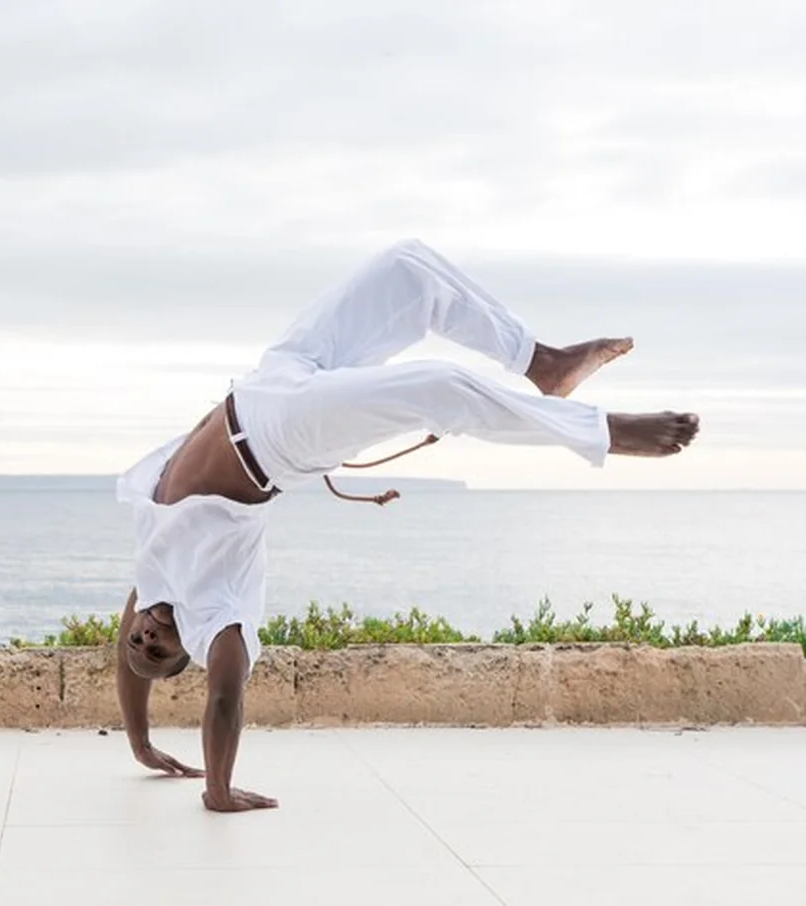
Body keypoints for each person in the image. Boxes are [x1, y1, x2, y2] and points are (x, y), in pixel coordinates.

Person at [113, 238, 700, 813]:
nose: (143, 635)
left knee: (406, 270)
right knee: (438, 387)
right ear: (184, 646)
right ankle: (604, 432)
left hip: (270, 379)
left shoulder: (154, 577)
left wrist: (140, 742)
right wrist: (217, 789)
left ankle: (544, 362)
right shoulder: (217, 615)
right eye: (157, 648)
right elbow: (222, 697)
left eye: (138, 637)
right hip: (277, 438)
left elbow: (128, 659)